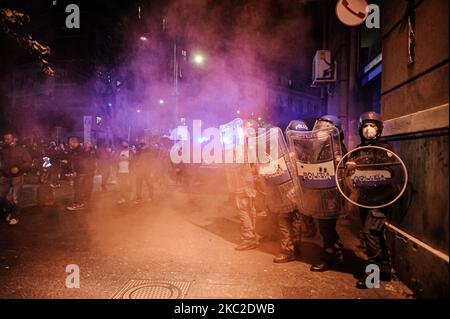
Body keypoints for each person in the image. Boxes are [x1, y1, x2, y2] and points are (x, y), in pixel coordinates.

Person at [348, 111, 394, 288]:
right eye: (366, 126)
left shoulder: (384, 149)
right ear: (361, 129)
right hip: (364, 199)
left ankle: (372, 278)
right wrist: (351, 168)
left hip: (380, 199)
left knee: (370, 234)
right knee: (376, 235)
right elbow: (351, 174)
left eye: (373, 126)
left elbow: (389, 170)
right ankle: (385, 270)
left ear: (379, 129)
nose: (369, 129)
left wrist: (359, 165)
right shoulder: (358, 150)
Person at [308, 115, 348, 272]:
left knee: (326, 226)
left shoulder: (338, 147)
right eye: (319, 127)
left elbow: (339, 169)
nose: (320, 131)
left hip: (331, 194)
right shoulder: (319, 147)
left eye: (325, 128)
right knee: (324, 227)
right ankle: (337, 250)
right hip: (321, 192)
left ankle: (328, 257)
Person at [225, 119, 261, 251]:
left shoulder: (247, 145)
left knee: (244, 210)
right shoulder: (253, 144)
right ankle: (253, 236)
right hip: (249, 183)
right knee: (250, 210)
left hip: (245, 183)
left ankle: (249, 238)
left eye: (244, 128)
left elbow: (243, 165)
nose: (241, 130)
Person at [0, 132, 32, 225]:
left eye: (8, 139)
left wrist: (19, 168)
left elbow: (28, 162)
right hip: (4, 176)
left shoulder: (22, 149)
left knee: (15, 198)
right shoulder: (3, 150)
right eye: (5, 139)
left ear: (14, 139)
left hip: (17, 177)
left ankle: (15, 216)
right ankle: (11, 210)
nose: (5, 141)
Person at [65, 137, 94, 211]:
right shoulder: (75, 150)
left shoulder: (79, 150)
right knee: (77, 188)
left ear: (75, 142)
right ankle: (78, 203)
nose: (69, 144)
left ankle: (78, 204)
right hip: (80, 172)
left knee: (78, 188)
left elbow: (81, 162)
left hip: (80, 173)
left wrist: (76, 171)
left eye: (70, 143)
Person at [133, 137, 158, 204]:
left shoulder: (149, 153)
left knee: (149, 184)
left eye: (143, 144)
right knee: (138, 185)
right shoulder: (138, 152)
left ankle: (151, 196)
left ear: (146, 144)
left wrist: (152, 172)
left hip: (147, 171)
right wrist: (136, 167)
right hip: (140, 171)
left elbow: (153, 162)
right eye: (141, 144)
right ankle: (138, 198)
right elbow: (135, 161)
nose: (142, 146)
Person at [116, 140, 133, 205]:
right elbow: (117, 159)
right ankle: (123, 198)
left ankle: (131, 195)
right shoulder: (121, 151)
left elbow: (132, 159)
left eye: (125, 143)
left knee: (128, 184)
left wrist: (126, 158)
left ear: (127, 144)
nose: (124, 144)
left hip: (128, 171)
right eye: (123, 143)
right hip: (121, 171)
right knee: (121, 185)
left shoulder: (130, 151)